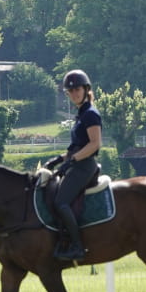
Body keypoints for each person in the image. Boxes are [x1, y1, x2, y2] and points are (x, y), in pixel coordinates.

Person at [47, 69, 102, 261]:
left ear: (86, 89)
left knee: (61, 202)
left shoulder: (90, 114)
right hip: (78, 164)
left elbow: (94, 144)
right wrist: (59, 159)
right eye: (70, 91)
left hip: (84, 166)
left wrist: (72, 161)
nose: (74, 93)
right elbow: (77, 146)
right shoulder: (82, 114)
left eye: (77, 89)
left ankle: (78, 247)